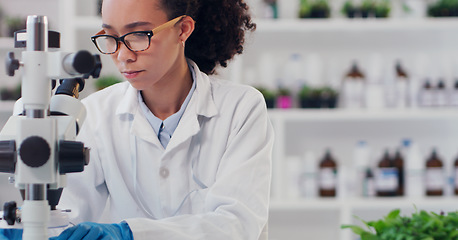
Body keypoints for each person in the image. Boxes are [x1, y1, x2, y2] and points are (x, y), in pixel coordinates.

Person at [0, 0, 274, 239]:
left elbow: (238, 226)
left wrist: (130, 234)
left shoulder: (241, 108)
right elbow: (69, 215)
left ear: (183, 29)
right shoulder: (96, 113)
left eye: (138, 35)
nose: (123, 55)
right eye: (111, 36)